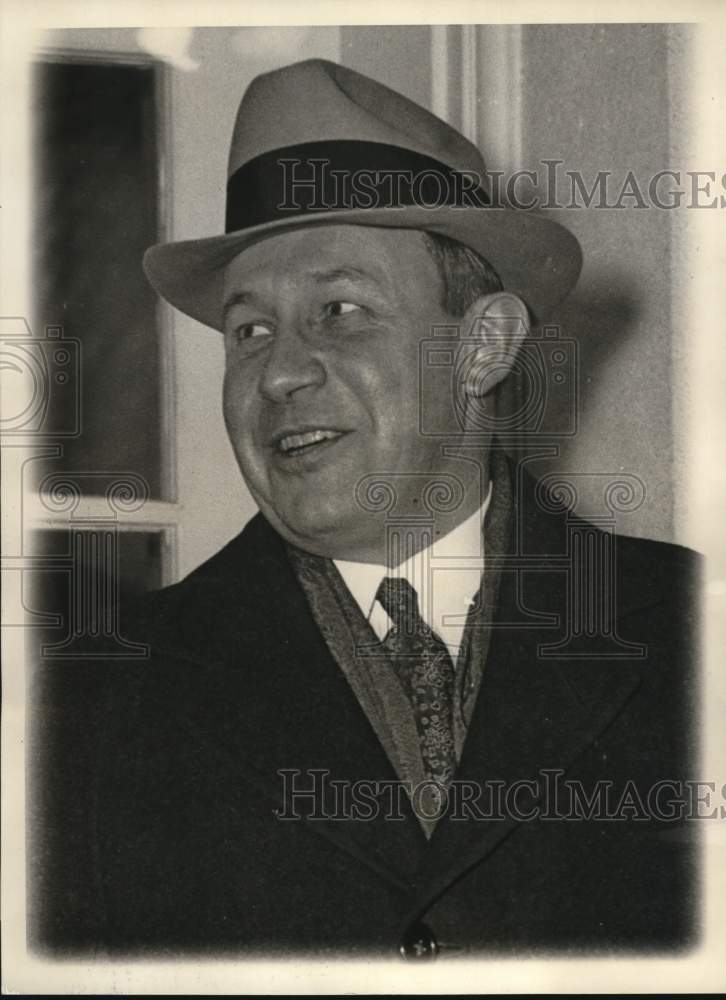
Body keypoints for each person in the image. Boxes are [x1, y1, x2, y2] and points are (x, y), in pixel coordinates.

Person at [33, 59, 699, 960]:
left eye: (341, 310)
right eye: (249, 330)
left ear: (483, 346)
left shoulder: (695, 637)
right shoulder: (89, 705)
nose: (278, 373)